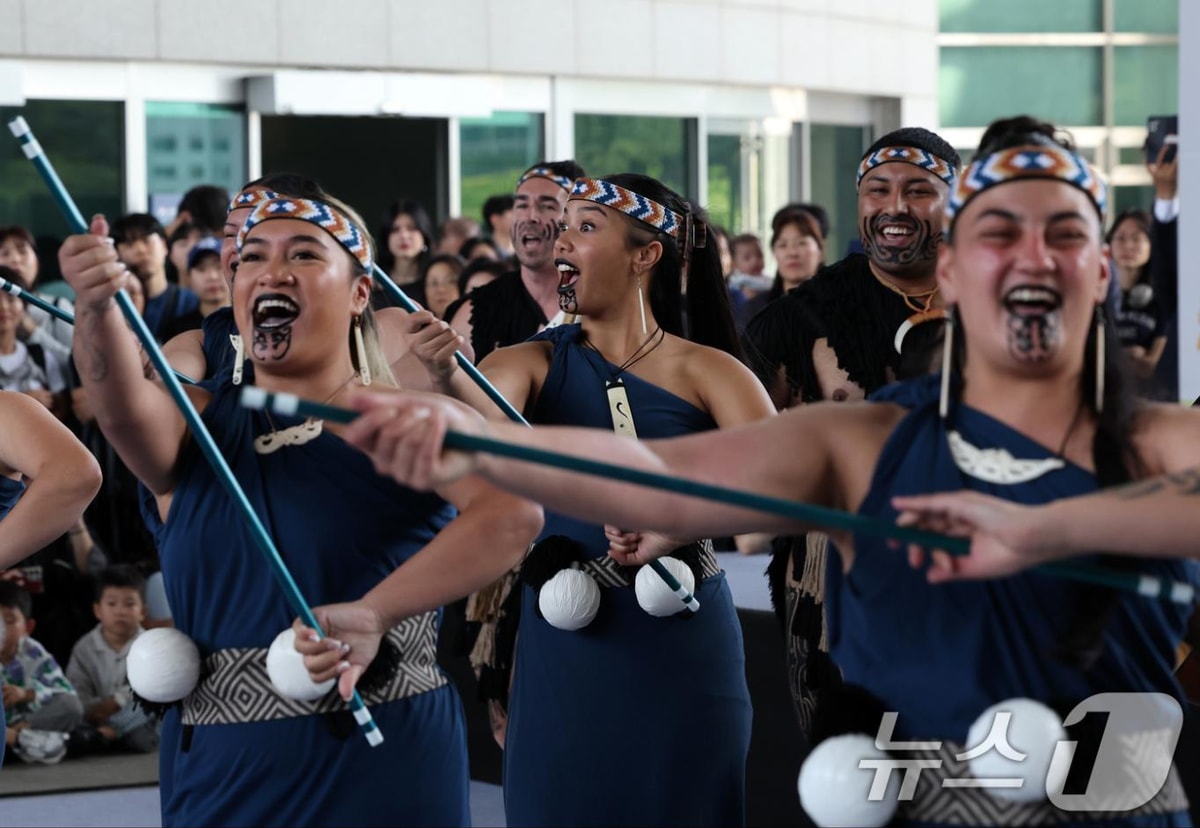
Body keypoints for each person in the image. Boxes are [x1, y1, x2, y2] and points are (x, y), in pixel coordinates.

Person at [340, 117, 1199, 825]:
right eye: (999, 234)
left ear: (1100, 268)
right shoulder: (856, 442)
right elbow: (649, 474)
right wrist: (470, 436)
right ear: (952, 270)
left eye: (1064, 235)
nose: (1031, 257)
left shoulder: (1163, 442)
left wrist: (1048, 527)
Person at [58, 190, 542, 825]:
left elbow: (512, 513)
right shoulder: (194, 423)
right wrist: (96, 307)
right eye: (252, 257)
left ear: (360, 293)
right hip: (221, 770)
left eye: (304, 254)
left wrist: (374, 612)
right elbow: (120, 408)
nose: (272, 271)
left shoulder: (414, 417)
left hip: (384, 758)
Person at [353, 172, 773, 827]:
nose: (559, 238)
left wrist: (676, 526)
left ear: (645, 254)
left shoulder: (712, 369)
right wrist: (444, 376)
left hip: (685, 643)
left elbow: (779, 491)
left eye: (585, 226)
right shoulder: (532, 361)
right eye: (562, 224)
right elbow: (479, 435)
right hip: (564, 643)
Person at [740, 127, 961, 735]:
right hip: (834, 586)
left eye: (919, 191)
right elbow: (740, 445)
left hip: (976, 574)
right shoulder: (800, 317)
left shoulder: (999, 305)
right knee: (849, 769)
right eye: (877, 190)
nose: (895, 207)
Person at [445, 160, 587, 363]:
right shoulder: (478, 310)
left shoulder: (598, 306)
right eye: (521, 205)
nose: (531, 216)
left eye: (547, 206)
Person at [65, 564, 159, 755]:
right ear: (98, 610)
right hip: (95, 715)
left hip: (134, 716)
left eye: (129, 604)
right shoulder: (84, 648)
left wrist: (117, 700)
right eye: (112, 604)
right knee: (70, 709)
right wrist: (95, 709)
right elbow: (77, 690)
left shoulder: (151, 645)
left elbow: (151, 689)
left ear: (143, 611)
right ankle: (105, 735)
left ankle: (109, 733)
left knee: (151, 705)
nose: (120, 611)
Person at [1, 580, 84, 764]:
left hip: (27, 721)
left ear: (27, 627)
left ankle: (16, 737)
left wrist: (26, 694)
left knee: (71, 706)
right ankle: (24, 742)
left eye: (9, 621)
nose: (2, 630)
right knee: (71, 742)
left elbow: (65, 694)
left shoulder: (34, 652)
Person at [1107, 209, 1168, 384]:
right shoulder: (1098, 296)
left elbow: (1150, 365)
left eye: (1136, 239)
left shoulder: (1163, 299)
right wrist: (1128, 356)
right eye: (1120, 238)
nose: (1128, 246)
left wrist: (1115, 358)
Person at [376, 198, 435, 310]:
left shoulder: (435, 281)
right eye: (395, 229)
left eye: (411, 228)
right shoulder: (374, 281)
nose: (403, 235)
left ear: (424, 235)